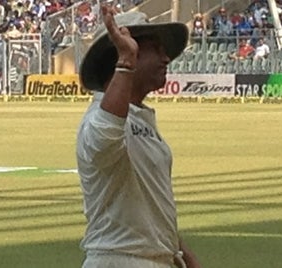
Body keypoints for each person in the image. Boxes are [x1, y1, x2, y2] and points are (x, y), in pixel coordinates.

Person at [76, 5, 201, 268]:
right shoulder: (100, 118)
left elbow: (151, 210)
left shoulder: (139, 117)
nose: (166, 58)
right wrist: (126, 62)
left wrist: (184, 256)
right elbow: (104, 136)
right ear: (121, 53)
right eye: (156, 49)